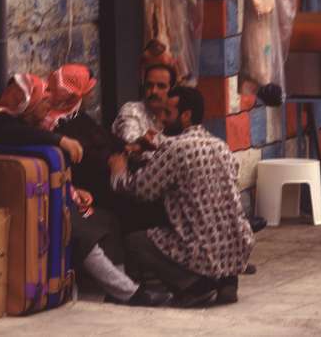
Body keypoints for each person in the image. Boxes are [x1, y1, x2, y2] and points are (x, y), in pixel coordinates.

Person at [0, 72, 171, 307]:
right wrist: (60, 141)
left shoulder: (25, 123)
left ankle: (122, 285)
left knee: (106, 220)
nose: (47, 106)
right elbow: (15, 135)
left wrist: (74, 188)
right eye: (42, 101)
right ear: (26, 102)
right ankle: (130, 293)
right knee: (80, 229)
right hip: (31, 205)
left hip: (53, 196)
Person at [109, 86, 255, 306]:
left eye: (168, 114)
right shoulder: (221, 146)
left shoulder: (176, 149)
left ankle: (194, 286)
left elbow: (140, 190)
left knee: (135, 241)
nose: (161, 120)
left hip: (201, 250)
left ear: (185, 116)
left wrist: (118, 172)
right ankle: (227, 281)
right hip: (237, 246)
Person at [111, 62, 177, 146]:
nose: (154, 91)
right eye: (149, 85)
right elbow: (129, 139)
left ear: (172, 89)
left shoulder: (175, 114)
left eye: (161, 86)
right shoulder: (132, 110)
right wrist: (140, 141)